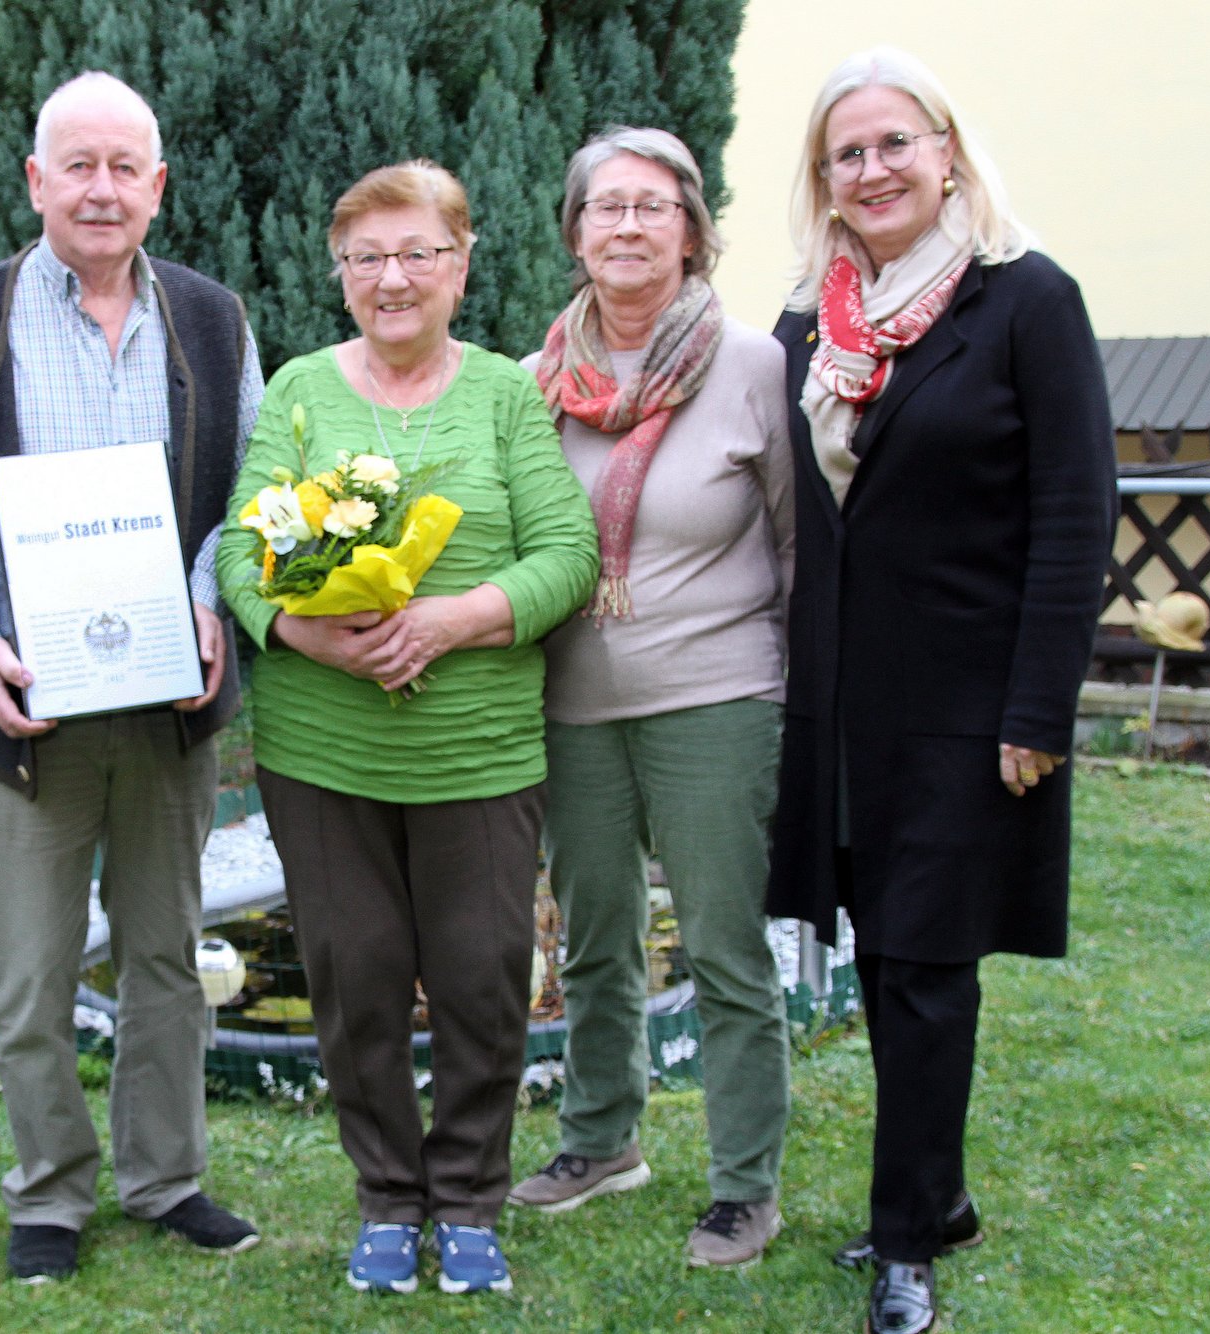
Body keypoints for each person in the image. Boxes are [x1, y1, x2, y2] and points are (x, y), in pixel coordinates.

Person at [0, 71, 264, 1284]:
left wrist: (210, 595)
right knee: (28, 974)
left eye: (123, 167)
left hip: (163, 706)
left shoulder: (210, 318)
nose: (101, 188)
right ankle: (47, 1189)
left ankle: (167, 1178)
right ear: (35, 181)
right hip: (22, 710)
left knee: (163, 957)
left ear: (156, 187)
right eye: (76, 165)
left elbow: (254, 498)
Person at [767, 48, 1116, 1334]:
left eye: (892, 143)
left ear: (946, 152)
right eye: (844, 153)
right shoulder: (811, 324)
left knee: (923, 963)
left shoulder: (1025, 300)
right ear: (825, 180)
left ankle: (906, 1239)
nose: (871, 169)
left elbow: (1077, 515)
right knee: (880, 954)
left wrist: (1039, 707)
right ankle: (940, 1193)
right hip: (843, 707)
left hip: (969, 709)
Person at [218, 161, 600, 1297]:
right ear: (338, 274)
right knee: (355, 973)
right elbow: (242, 553)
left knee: (484, 976)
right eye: (366, 258)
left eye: (416, 253)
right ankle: (388, 1193)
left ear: (460, 262)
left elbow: (566, 555)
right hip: (321, 750)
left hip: (476, 752)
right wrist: (301, 631)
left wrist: (449, 621)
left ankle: (470, 1193)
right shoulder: (296, 389)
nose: (393, 278)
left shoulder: (500, 394)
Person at [510, 127, 795, 1270]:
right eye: (603, 207)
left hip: (717, 694)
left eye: (651, 207)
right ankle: (598, 1138)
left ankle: (741, 1185)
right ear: (574, 233)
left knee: (723, 947)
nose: (626, 226)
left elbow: (794, 541)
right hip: (572, 699)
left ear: (690, 229)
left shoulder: (754, 368)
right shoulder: (536, 382)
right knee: (592, 936)